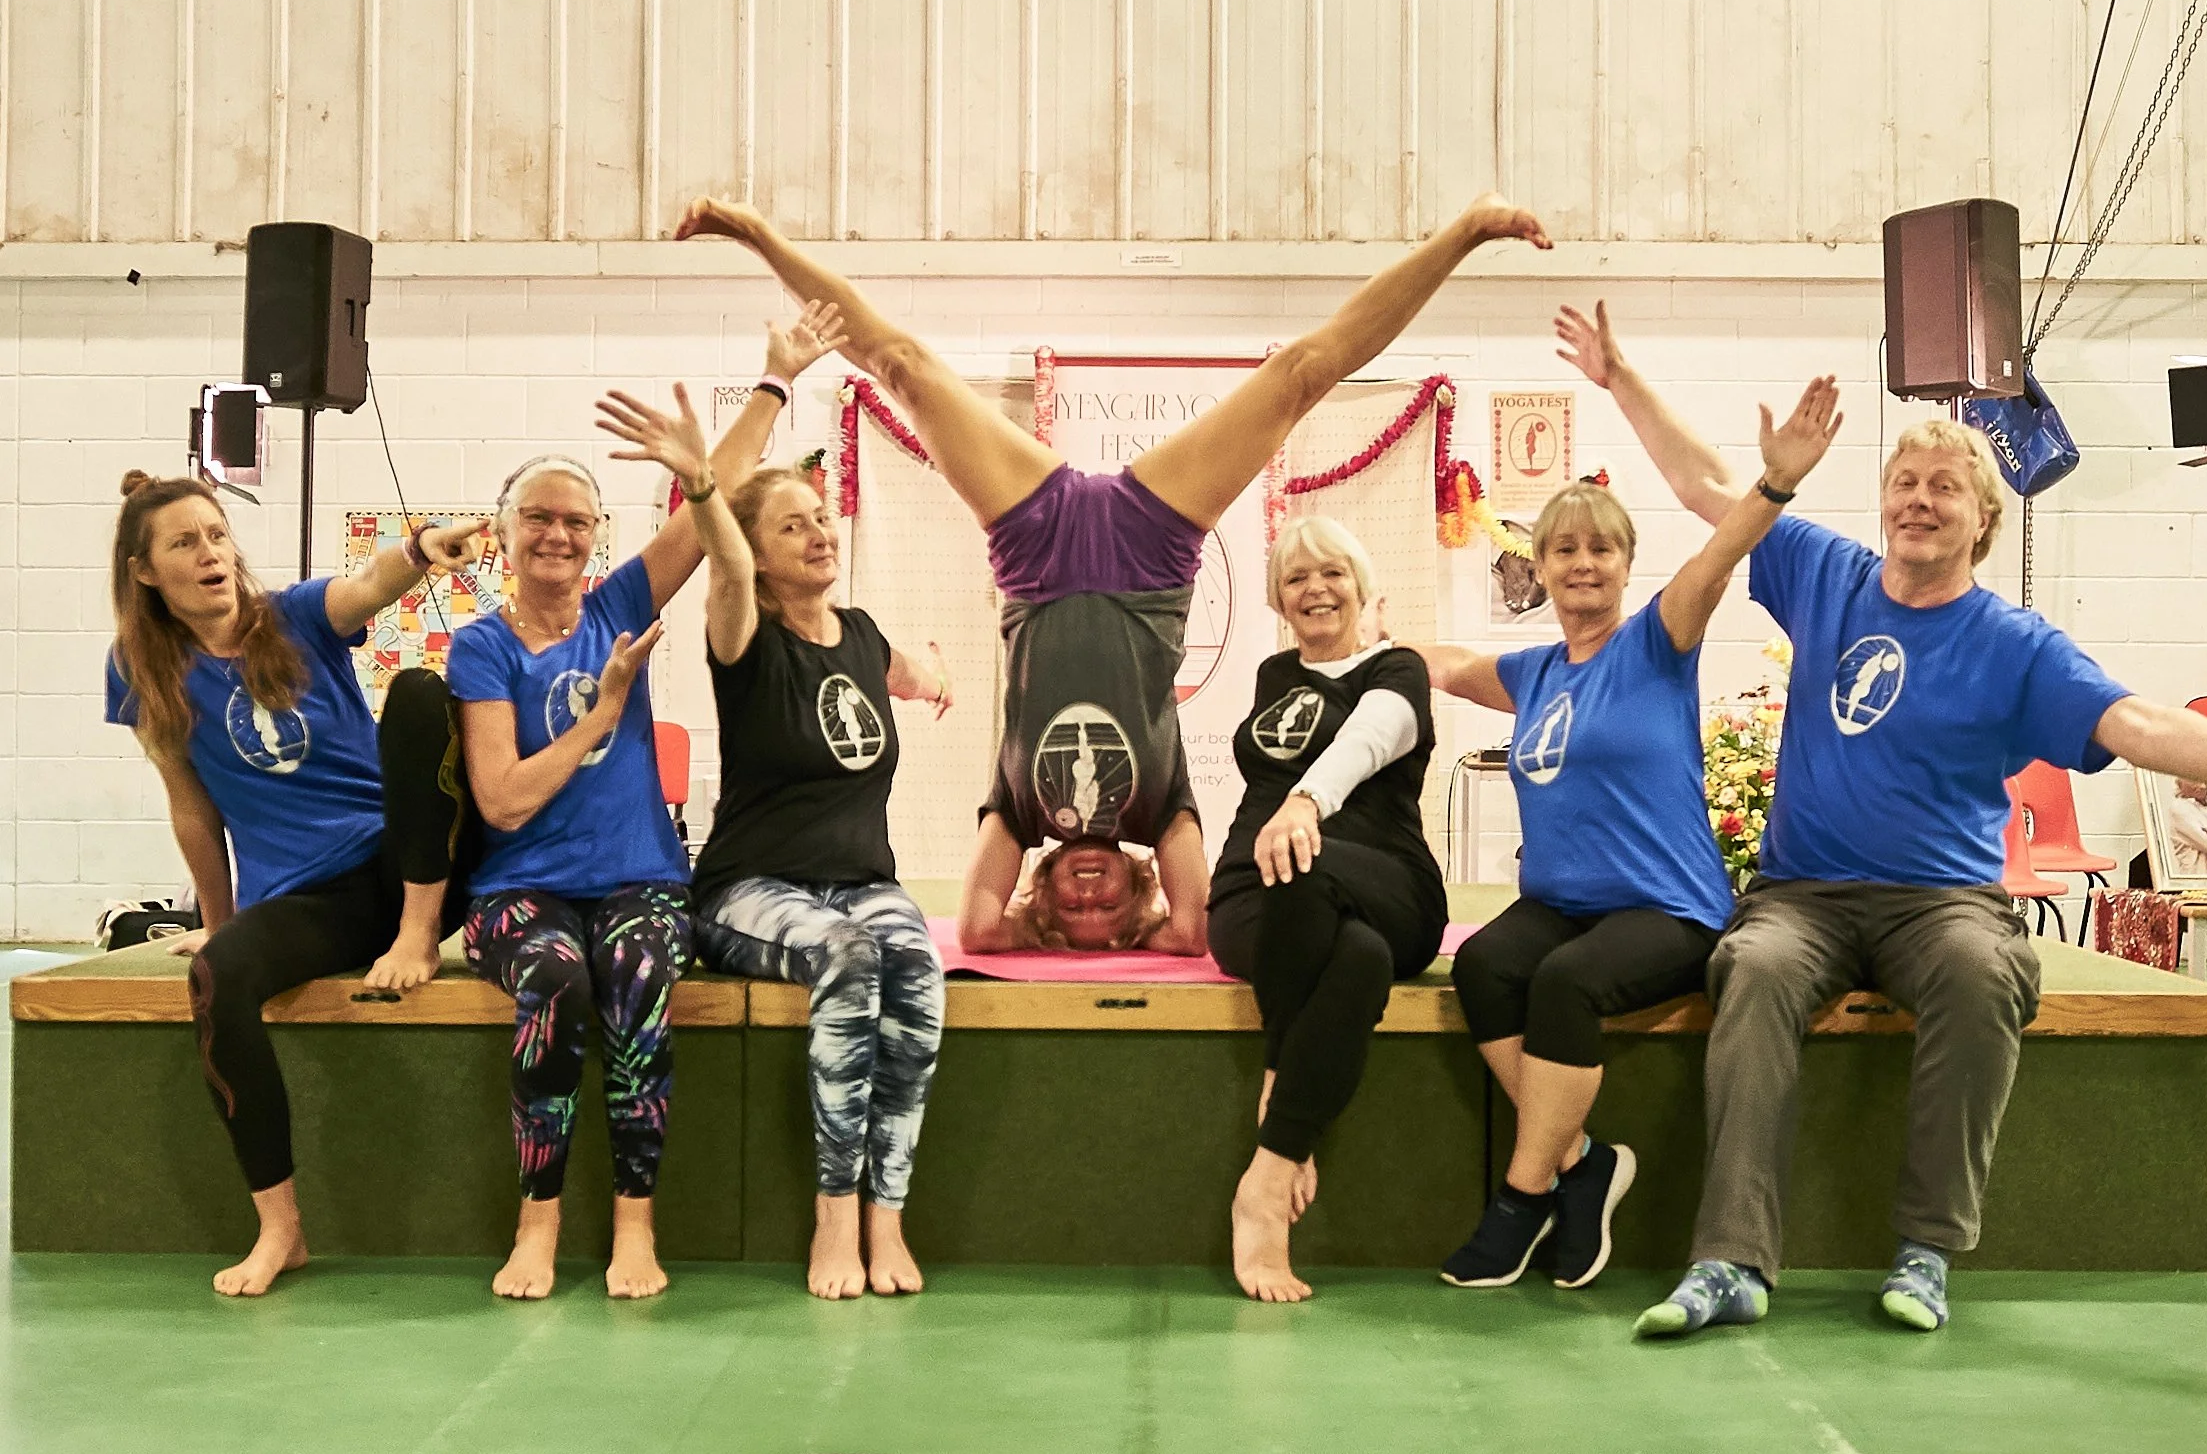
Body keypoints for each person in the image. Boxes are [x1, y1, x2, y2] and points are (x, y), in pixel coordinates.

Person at [1550, 301, 2207, 1336]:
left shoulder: (2015, 644)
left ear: (1982, 519)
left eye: (1944, 487)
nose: (1918, 500)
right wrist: (1620, 380)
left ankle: (1924, 1253)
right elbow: (1711, 488)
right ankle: (1730, 1261)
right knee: (1748, 971)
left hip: (1942, 904)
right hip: (1804, 897)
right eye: (1903, 483)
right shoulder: (1823, 573)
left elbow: (2143, 724)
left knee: (1983, 972)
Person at [674, 192, 1551, 952]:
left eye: (1071, 907)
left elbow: (978, 927)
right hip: (1151, 553)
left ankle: (757, 234)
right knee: (1296, 377)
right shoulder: (1157, 809)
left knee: (902, 367)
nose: (1086, 894)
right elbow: (1195, 926)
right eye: (1104, 907)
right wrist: (1141, 931)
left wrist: (1037, 934)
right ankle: (1464, 233)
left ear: (1044, 887)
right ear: (1136, 887)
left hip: (1034, 548)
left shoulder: (1016, 811)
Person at [452, 306, 844, 1301]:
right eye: (537, 516)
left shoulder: (625, 602)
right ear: (506, 534)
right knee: (555, 977)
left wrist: (773, 378)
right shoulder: (481, 647)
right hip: (521, 890)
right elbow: (499, 800)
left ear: (596, 538)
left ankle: (636, 1222)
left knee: (631, 977)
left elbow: (713, 496)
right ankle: (536, 1221)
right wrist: (600, 715)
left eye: (576, 520)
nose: (556, 532)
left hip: (639, 879)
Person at [1423, 372, 1843, 1294]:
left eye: (1601, 549)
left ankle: (1523, 1195)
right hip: (1564, 903)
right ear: (1539, 563)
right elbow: (1450, 666)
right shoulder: (1533, 672)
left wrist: (1774, 486)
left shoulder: (1658, 637)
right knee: (1489, 966)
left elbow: (1722, 551)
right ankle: (1584, 1163)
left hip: (1670, 909)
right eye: (1565, 548)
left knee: (1567, 986)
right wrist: (1358, 646)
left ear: (1623, 564)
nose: (1582, 563)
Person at [105, 471, 487, 1296]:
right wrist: (221, 919)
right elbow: (192, 806)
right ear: (144, 571)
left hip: (413, 862)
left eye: (215, 534)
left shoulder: (295, 617)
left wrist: (421, 549)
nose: (210, 552)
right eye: (184, 542)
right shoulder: (143, 669)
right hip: (317, 900)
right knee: (218, 978)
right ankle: (282, 1227)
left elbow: (368, 584)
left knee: (422, 691)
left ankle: (418, 933)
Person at [652, 395, 956, 1301]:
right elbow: (727, 575)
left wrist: (934, 676)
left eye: (823, 518)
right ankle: (835, 1214)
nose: (821, 532)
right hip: (754, 885)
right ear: (757, 551)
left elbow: (903, 672)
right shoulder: (745, 637)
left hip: (863, 878)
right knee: (849, 956)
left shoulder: (859, 633)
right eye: (794, 525)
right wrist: (707, 486)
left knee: (916, 965)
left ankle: (887, 1217)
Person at [1207, 517, 1444, 1302]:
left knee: (1306, 871)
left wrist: (1308, 801)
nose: (1316, 589)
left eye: (1332, 572)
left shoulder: (1397, 667)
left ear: (1363, 585)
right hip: (1261, 892)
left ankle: (1269, 1162)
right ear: (1278, 597)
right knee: (1357, 958)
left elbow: (1373, 737)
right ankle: (1281, 1151)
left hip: (1386, 881)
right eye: (1298, 577)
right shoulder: (1276, 674)